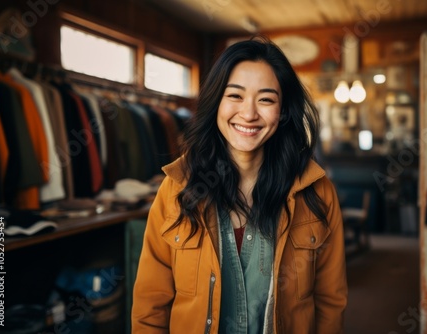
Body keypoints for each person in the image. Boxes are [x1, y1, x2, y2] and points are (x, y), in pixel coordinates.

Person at [132, 37, 347, 333]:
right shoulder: (175, 190)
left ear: (283, 111)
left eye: (266, 99)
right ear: (216, 101)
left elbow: (330, 303)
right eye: (235, 96)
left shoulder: (317, 193)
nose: (248, 114)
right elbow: (149, 307)